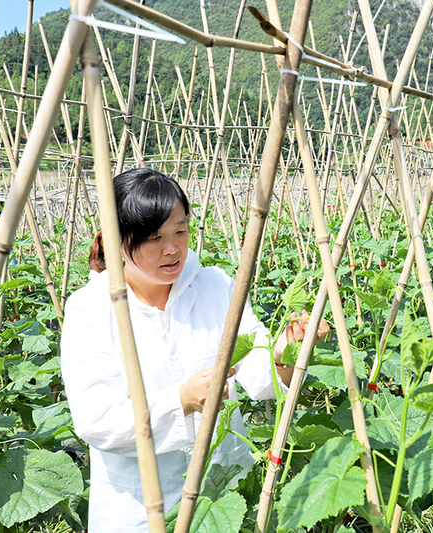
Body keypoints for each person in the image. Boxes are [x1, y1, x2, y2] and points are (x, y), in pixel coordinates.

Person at [60, 168, 328, 533]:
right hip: (138, 509)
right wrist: (181, 401)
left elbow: (257, 372)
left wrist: (285, 350)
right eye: (155, 238)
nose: (173, 248)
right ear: (117, 241)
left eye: (180, 231)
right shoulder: (90, 309)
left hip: (221, 488)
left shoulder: (215, 286)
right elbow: (97, 421)